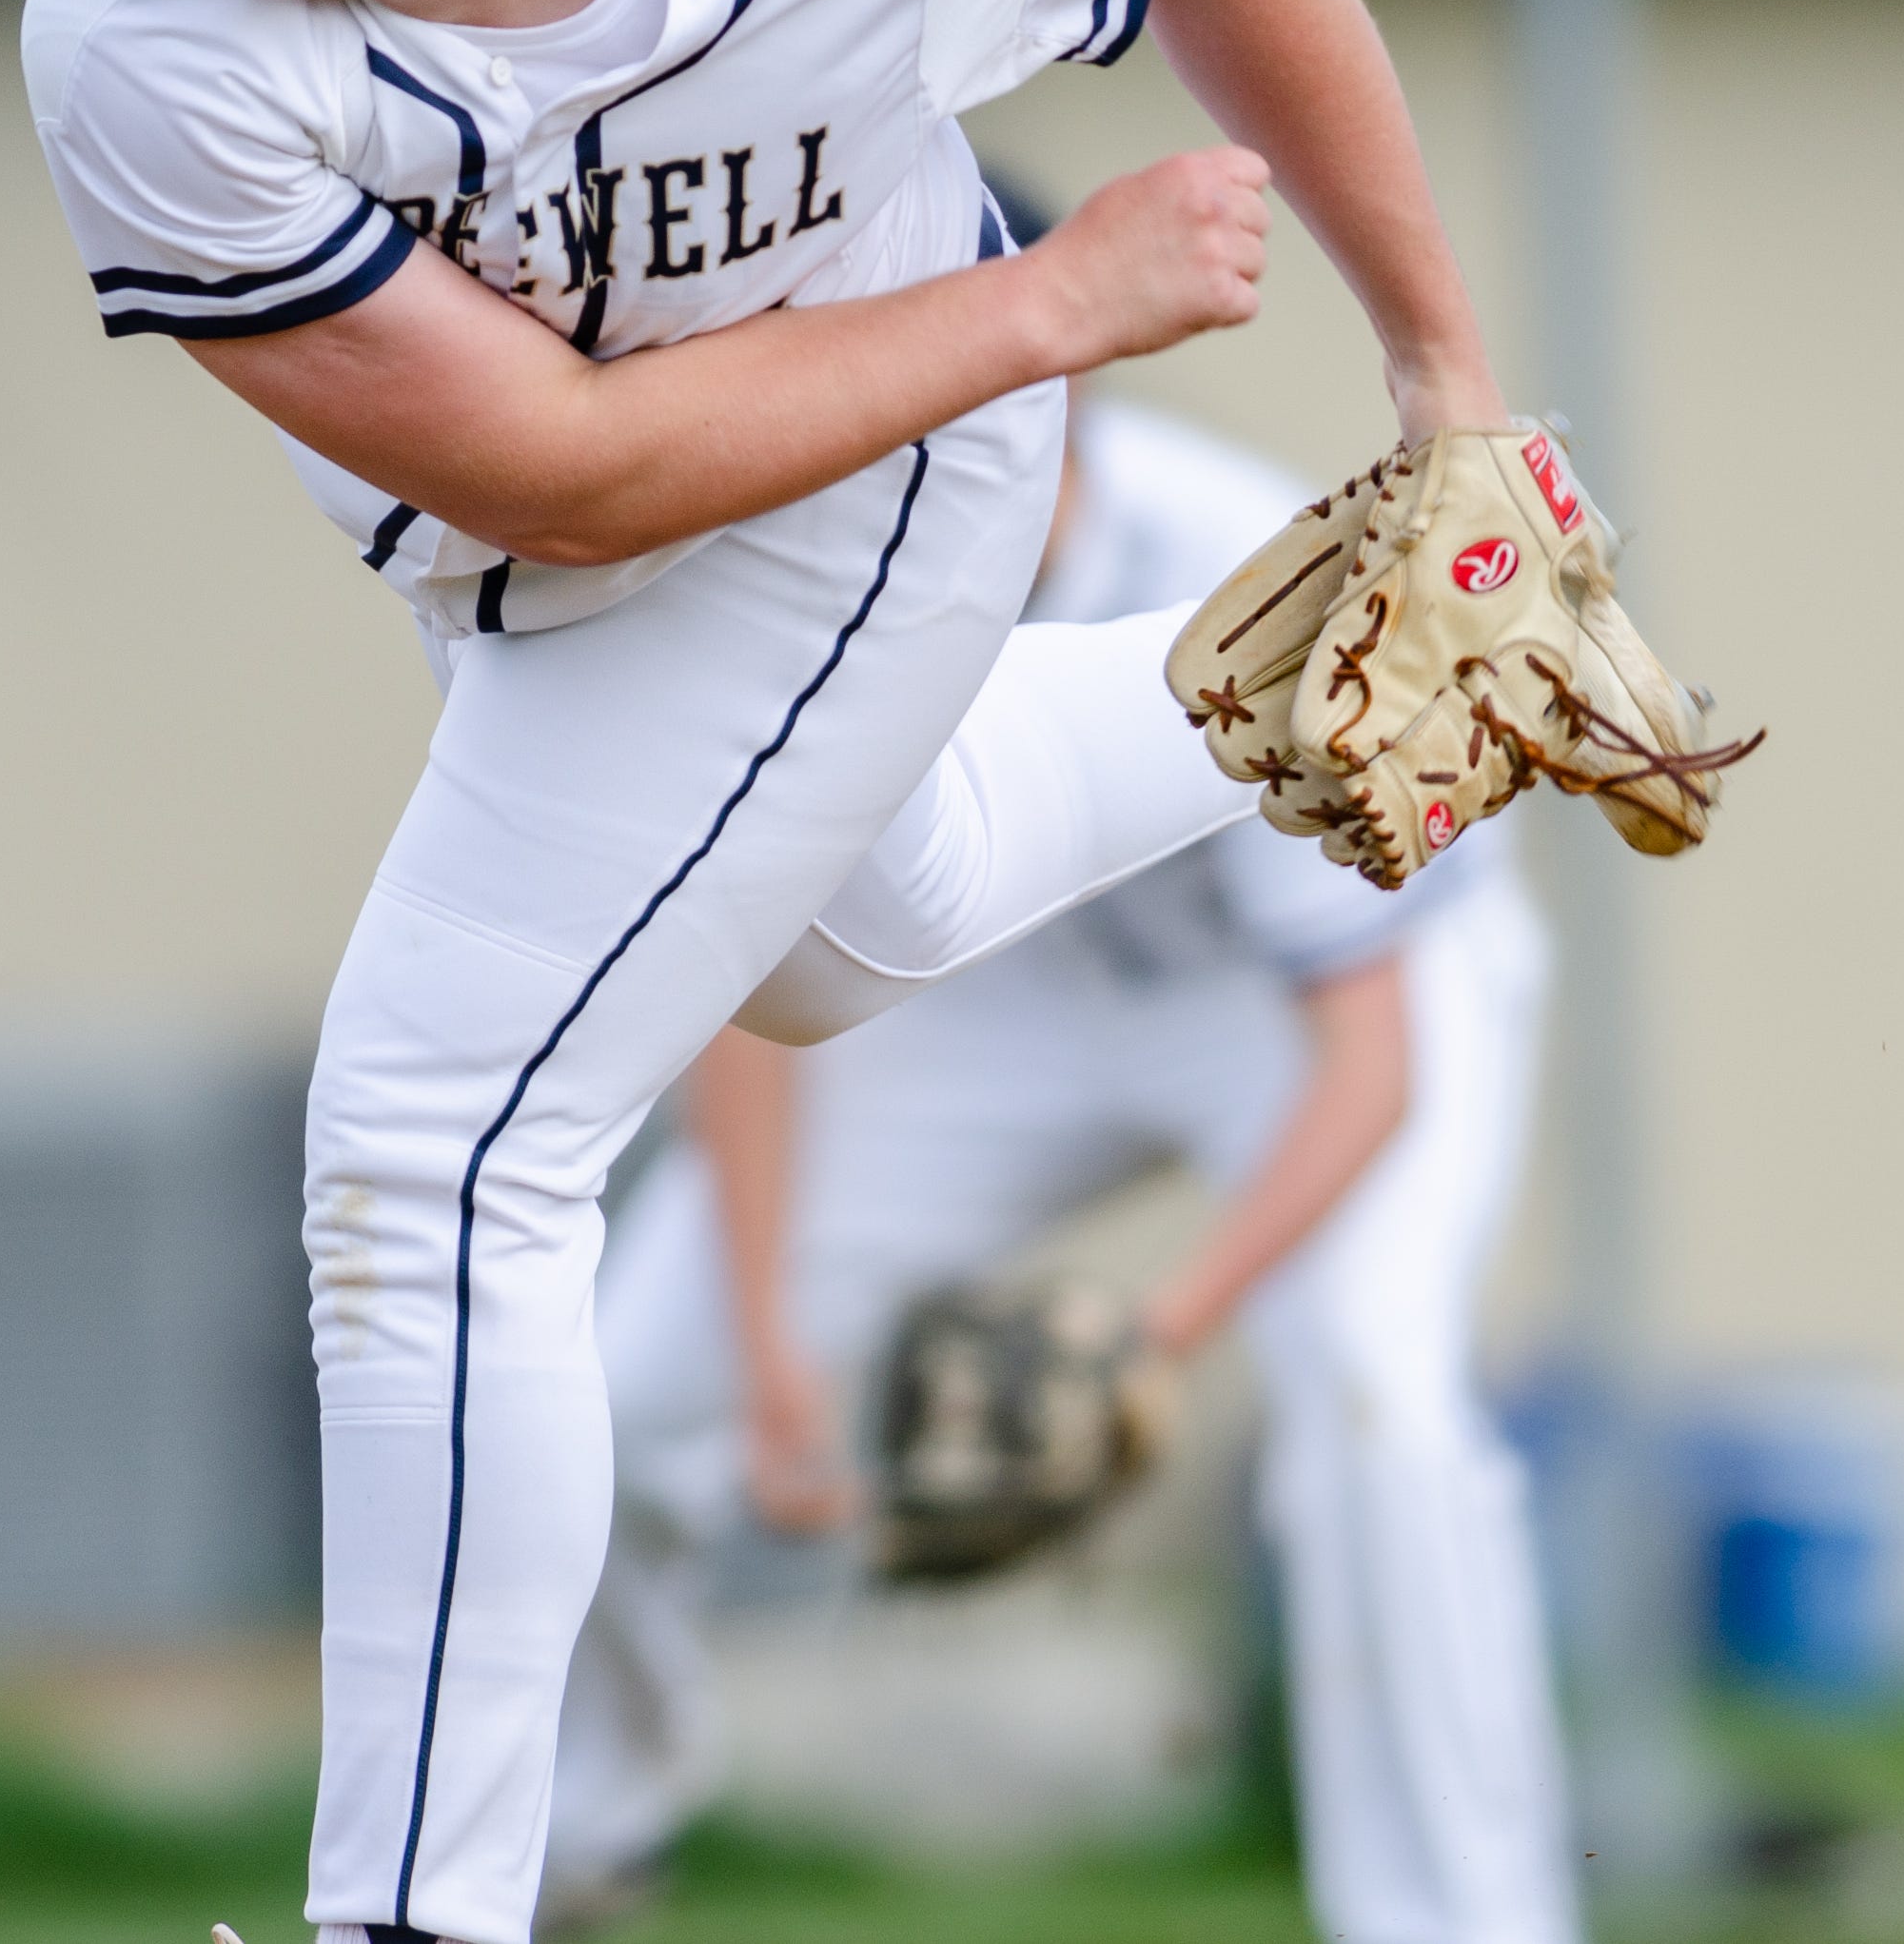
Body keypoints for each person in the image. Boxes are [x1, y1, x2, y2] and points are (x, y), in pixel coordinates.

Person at [24, 0, 1522, 1944]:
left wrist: (1446, 380)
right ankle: (1328, 662)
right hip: (586, 531)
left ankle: (420, 1911)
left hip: (887, 469)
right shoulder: (145, 39)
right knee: (850, 930)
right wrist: (1059, 295)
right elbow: (572, 477)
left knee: (437, 1142)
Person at [547, 388, 1579, 1944]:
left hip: (1317, 1004)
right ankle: (561, 1861)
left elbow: (1374, 1065)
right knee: (631, 1384)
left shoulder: (1262, 573)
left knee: (1379, 1395)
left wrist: (1150, 1340)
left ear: (1059, 409)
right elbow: (753, 991)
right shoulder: (809, 563)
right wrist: (768, 1352)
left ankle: (1461, 1927)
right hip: (1019, 983)